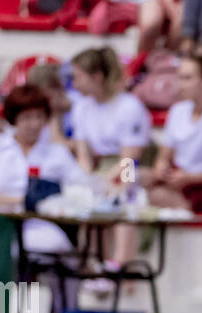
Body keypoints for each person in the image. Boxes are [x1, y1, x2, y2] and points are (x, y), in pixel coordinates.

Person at [0, 85, 91, 254]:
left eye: (39, 116)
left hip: (41, 226)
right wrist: (23, 201)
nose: (34, 124)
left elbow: (82, 187)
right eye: (27, 117)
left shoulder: (57, 153)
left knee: (51, 243)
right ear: (14, 119)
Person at [69, 47, 153, 274]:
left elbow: (129, 158)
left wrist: (111, 181)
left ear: (96, 77)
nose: (74, 84)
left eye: (78, 77)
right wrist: (87, 181)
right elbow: (83, 157)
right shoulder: (81, 107)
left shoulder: (129, 106)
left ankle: (122, 264)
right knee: (85, 194)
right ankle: (95, 263)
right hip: (101, 165)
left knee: (123, 190)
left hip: (130, 164)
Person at [142, 55, 202, 212]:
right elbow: (164, 156)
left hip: (200, 189)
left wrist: (192, 178)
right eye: (179, 78)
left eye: (187, 78)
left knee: (153, 196)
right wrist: (161, 167)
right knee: (130, 177)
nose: (180, 84)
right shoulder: (177, 110)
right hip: (176, 180)